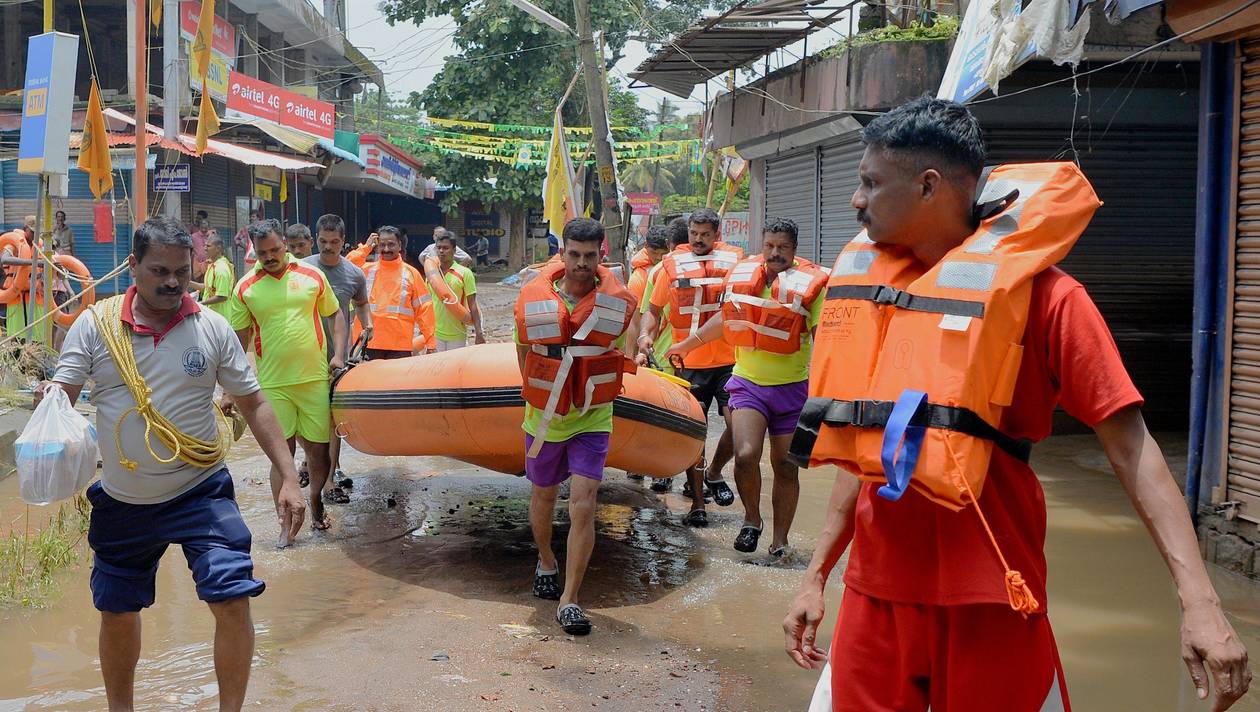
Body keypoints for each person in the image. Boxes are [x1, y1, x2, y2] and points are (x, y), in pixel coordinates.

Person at [781, 97, 1252, 711]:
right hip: (876, 596)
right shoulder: (872, 290)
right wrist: (817, 575)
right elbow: (872, 443)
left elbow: (1132, 447)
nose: (856, 200)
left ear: (928, 186)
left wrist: (1201, 604)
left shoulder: (1050, 298)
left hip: (995, 598)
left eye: (870, 182)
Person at [41, 216, 305, 712]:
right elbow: (64, 394)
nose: (171, 282)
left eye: (181, 272)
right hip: (124, 498)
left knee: (231, 597)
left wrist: (288, 476)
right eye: (158, 270)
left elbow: (253, 402)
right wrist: (48, 406)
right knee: (117, 610)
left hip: (200, 490)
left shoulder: (212, 327)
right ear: (132, 265)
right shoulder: (95, 327)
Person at [667, 217, 827, 556]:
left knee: (786, 466)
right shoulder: (743, 276)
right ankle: (752, 520)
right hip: (748, 384)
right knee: (746, 454)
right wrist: (687, 344)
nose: (775, 253)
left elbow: (823, 339)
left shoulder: (812, 286)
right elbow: (725, 319)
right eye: (769, 246)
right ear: (762, 245)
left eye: (783, 248)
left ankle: (780, 542)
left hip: (792, 388)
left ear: (795, 249)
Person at [514, 217, 637, 636]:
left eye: (590, 256)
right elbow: (522, 345)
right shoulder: (535, 297)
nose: (581, 263)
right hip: (546, 413)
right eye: (574, 254)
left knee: (584, 501)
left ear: (601, 255)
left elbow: (623, 347)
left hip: (593, 414)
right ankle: (546, 559)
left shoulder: (616, 302)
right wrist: (532, 388)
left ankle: (570, 600)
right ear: (562, 252)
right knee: (543, 497)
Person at [228, 219, 345, 531]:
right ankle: (284, 523)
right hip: (272, 385)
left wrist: (339, 355)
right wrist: (230, 388)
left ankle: (316, 499)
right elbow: (237, 341)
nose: (270, 256)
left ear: (284, 245)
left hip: (315, 381)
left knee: (318, 453)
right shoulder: (245, 288)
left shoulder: (312, 275)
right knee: (282, 456)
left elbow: (335, 314)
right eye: (263, 251)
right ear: (254, 250)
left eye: (276, 249)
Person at [637, 208, 742, 527]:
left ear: (717, 235)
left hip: (730, 361)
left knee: (739, 430)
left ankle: (714, 472)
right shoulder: (668, 268)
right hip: (687, 365)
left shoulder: (735, 263)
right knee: (694, 435)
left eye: (705, 235)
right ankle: (697, 503)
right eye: (694, 234)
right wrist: (645, 336)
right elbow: (652, 310)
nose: (698, 240)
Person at [303, 213, 373, 505]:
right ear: (315, 239)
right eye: (322, 241)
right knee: (306, 419)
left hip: (337, 357)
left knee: (332, 420)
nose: (328, 247)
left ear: (344, 242)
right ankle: (310, 462)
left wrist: (368, 324)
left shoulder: (354, 274)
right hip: (304, 355)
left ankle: (329, 477)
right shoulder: (302, 269)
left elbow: (361, 304)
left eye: (334, 242)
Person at [350, 226, 431, 360]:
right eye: (382, 245)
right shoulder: (366, 270)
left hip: (399, 346)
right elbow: (344, 267)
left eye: (391, 244)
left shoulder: (411, 274)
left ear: (400, 245)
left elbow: (425, 310)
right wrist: (365, 247)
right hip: (368, 342)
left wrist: (431, 343)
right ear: (377, 246)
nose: (386, 249)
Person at [426, 231, 485, 351]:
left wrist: (479, 333)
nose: (441, 251)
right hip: (436, 333)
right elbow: (427, 305)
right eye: (439, 248)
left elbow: (472, 304)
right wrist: (426, 334)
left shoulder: (464, 273)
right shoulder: (431, 276)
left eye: (446, 248)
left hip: (457, 334)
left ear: (454, 250)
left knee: (455, 369)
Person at [199, 233, 235, 319]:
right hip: (212, 315)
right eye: (205, 245)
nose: (205, 248)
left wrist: (200, 304)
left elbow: (222, 296)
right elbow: (207, 287)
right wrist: (188, 283)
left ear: (218, 249)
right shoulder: (212, 265)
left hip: (221, 316)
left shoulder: (221, 269)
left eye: (208, 246)